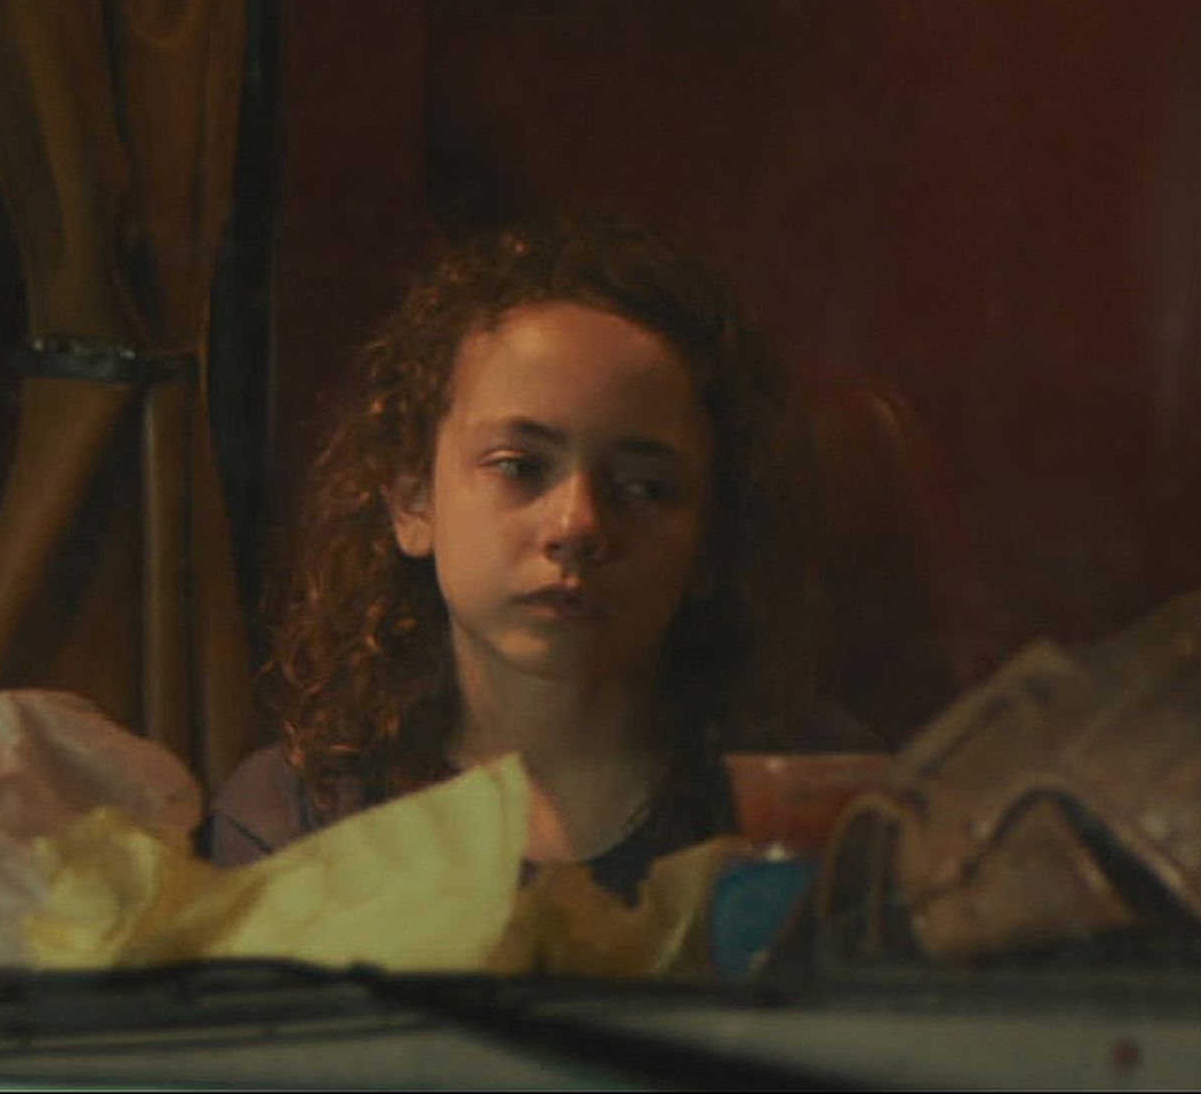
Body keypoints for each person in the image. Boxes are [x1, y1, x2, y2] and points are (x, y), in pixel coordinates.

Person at [209, 217, 811, 899]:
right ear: (412, 501)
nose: (577, 525)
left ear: (711, 534)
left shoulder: (811, 803)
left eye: (644, 488)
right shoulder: (300, 818)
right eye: (518, 466)